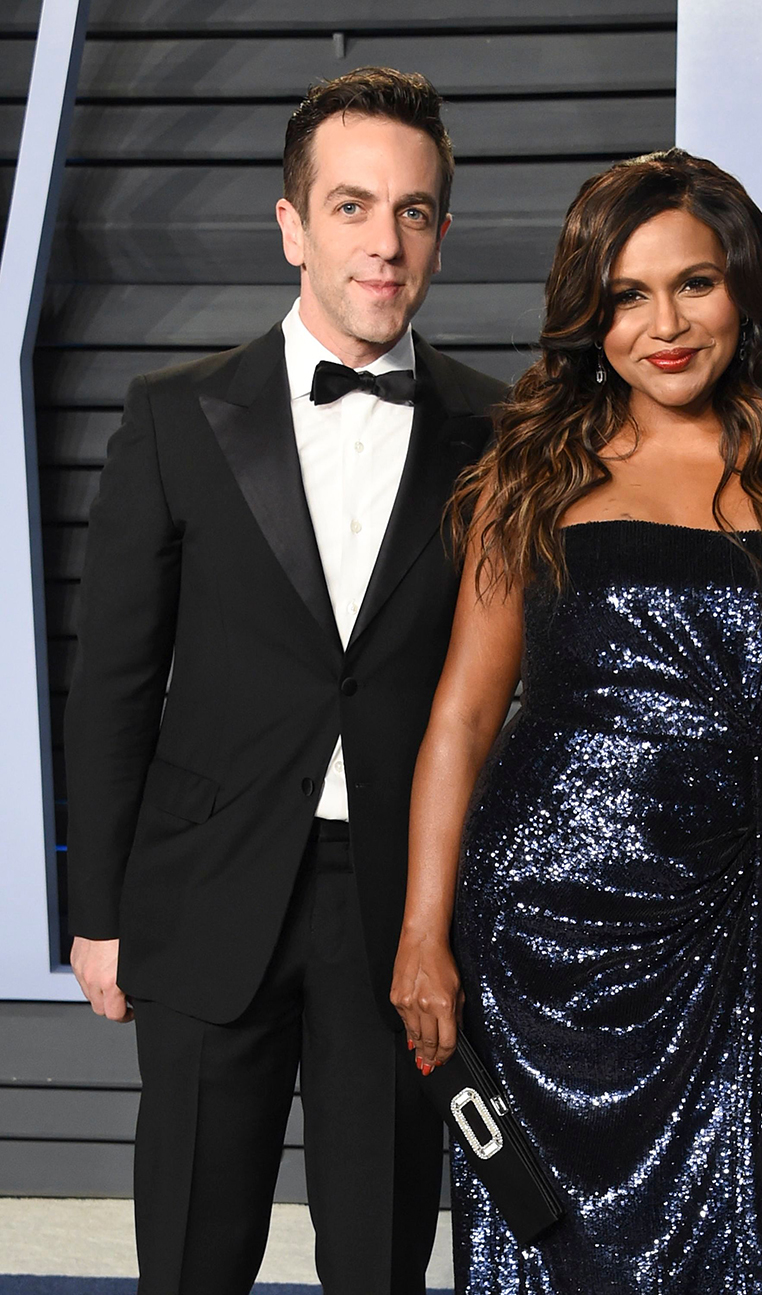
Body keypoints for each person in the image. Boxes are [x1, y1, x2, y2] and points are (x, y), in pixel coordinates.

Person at [391, 148, 762, 1293]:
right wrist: (423, 932)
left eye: (694, 283)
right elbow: (462, 718)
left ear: (745, 290)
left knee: (736, 1226)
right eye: (627, 294)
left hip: (743, 915)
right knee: (539, 1242)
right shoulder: (533, 469)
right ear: (590, 312)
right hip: (536, 922)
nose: (663, 324)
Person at [64, 67, 505, 1295]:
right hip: (207, 895)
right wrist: (96, 913)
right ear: (292, 226)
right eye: (353, 206)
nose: (384, 241)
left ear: (441, 235)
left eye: (413, 212)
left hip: (402, 912)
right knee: (193, 1252)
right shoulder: (174, 415)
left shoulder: (497, 429)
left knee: (379, 1257)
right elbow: (111, 683)